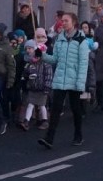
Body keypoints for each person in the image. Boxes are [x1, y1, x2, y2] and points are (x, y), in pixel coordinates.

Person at [38, 12, 89, 149]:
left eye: (66, 21)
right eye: (62, 21)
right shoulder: (59, 39)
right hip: (60, 79)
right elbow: (54, 59)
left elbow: (83, 64)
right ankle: (49, 138)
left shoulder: (81, 41)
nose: (63, 23)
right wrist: (41, 55)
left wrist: (80, 84)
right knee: (56, 109)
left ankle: (78, 134)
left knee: (75, 109)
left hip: (74, 81)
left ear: (74, 22)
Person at [19, 40, 52, 131]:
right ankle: (26, 121)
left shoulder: (46, 65)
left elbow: (48, 77)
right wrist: (26, 76)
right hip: (33, 87)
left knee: (42, 105)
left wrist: (47, 87)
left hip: (42, 88)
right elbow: (25, 74)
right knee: (30, 104)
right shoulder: (30, 64)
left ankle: (44, 120)